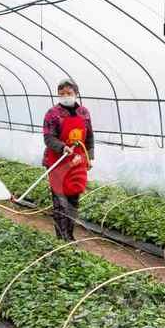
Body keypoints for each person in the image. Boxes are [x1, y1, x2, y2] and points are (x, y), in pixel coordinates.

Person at [42, 79, 94, 241]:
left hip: (77, 162)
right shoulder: (52, 113)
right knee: (60, 202)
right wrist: (62, 147)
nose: (65, 96)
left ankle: (69, 236)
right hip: (58, 162)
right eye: (62, 93)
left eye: (69, 93)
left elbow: (89, 137)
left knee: (73, 200)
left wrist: (89, 157)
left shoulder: (84, 113)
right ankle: (61, 238)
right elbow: (48, 137)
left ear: (76, 94)